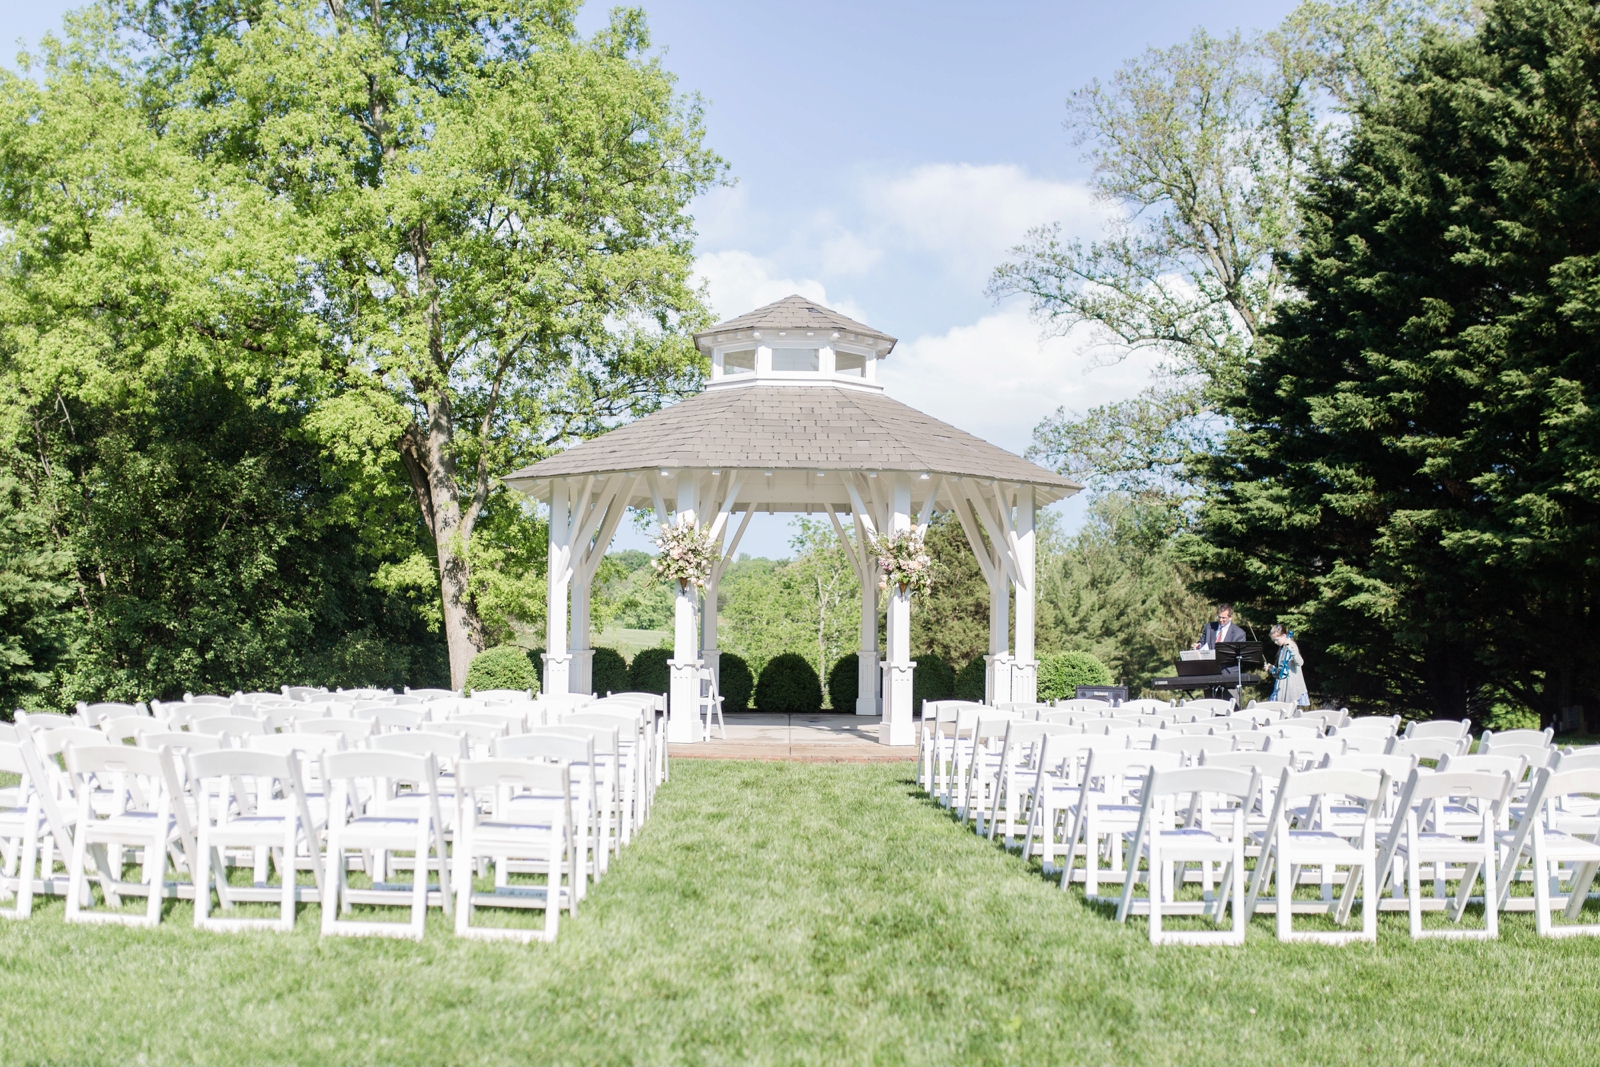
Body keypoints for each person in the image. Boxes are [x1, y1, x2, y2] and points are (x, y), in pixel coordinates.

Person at [1268, 624, 1309, 707]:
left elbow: (1300, 662)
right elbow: (1282, 669)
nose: (1275, 643)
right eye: (1273, 641)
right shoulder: (1283, 647)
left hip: (1291, 685)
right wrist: (1271, 668)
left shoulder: (1291, 645)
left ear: (1284, 635)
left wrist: (1292, 650)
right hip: (1282, 685)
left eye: (1276, 640)